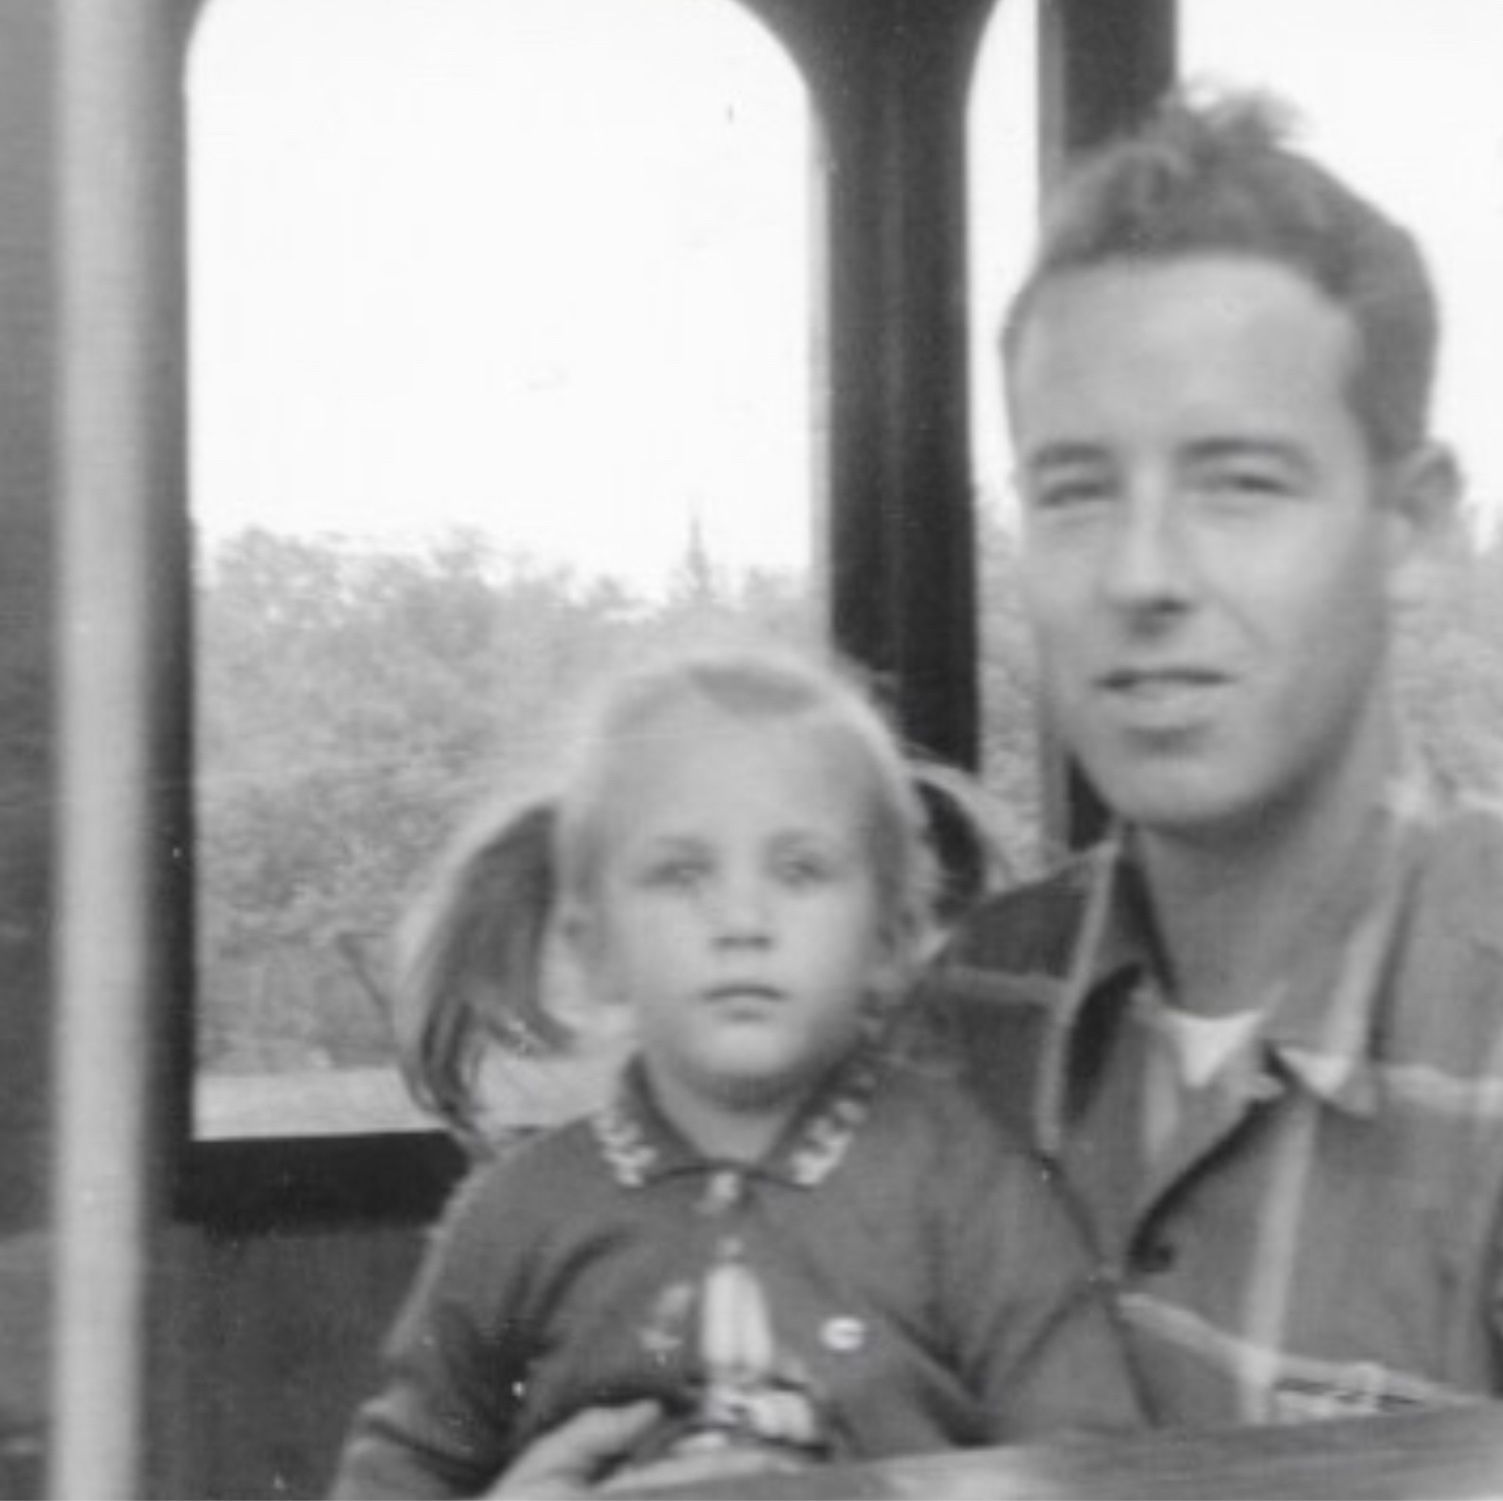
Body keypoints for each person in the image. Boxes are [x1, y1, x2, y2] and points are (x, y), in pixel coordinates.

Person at [939, 89, 1503, 1426]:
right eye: (1076, 490)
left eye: (1239, 484)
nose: (1142, 574)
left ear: (1412, 528)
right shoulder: (969, 1010)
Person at [331, 640, 1143, 1499]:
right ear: (592, 944)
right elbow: (403, 1469)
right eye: (681, 872)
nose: (743, 918)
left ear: (890, 936)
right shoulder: (515, 1217)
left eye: (800, 869)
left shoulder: (967, 1190)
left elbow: (1086, 1457)